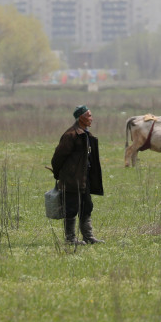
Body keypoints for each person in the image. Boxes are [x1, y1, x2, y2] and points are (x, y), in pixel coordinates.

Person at [51, 105, 104, 245]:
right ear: (81, 118)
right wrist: (59, 175)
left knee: (87, 206)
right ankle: (70, 239)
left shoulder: (86, 134)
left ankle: (88, 237)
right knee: (71, 208)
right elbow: (57, 158)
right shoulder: (70, 135)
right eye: (89, 116)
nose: (92, 118)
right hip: (71, 179)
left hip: (83, 179)